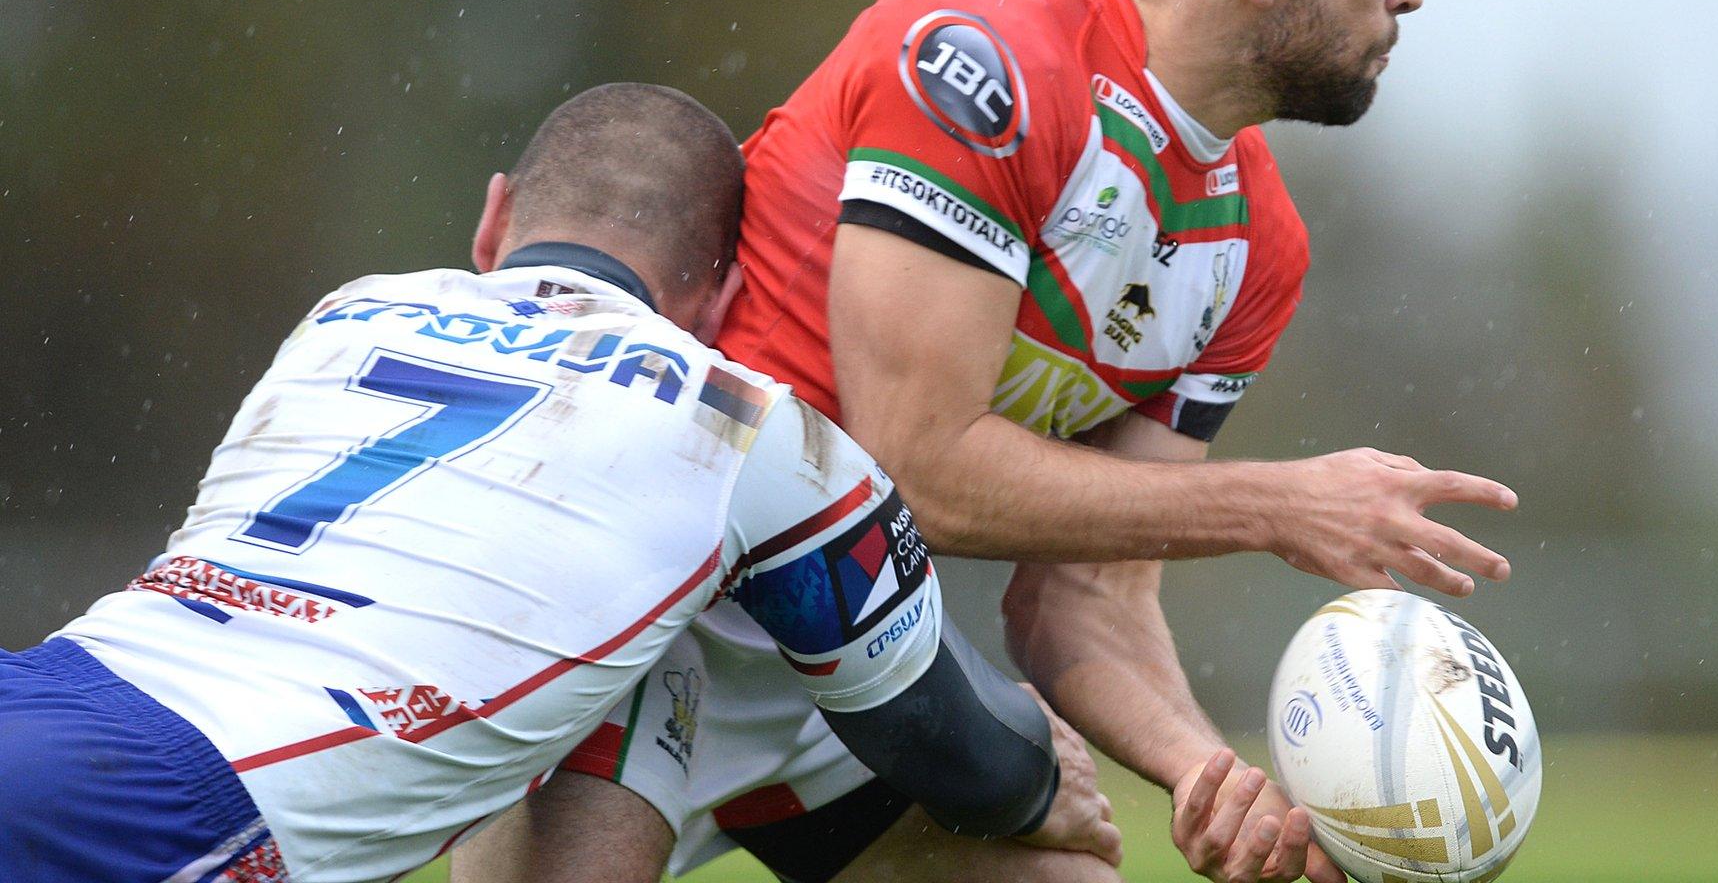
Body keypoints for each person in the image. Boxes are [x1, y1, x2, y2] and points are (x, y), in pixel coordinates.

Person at [461, 0, 1520, 883]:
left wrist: (1214, 782)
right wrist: (1278, 503)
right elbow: (911, 464)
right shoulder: (984, 56)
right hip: (650, 601)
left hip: (856, 660)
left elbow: (1083, 597)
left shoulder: (1259, 248)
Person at [0, 83, 1117, 883]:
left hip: (50, 689)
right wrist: (1030, 781)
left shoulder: (348, 310)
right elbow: (941, 741)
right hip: (173, 798)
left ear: (494, 219)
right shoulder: (750, 423)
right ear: (720, 299)